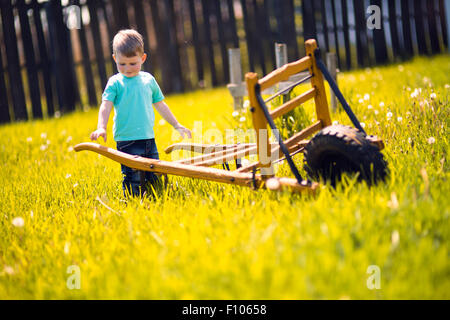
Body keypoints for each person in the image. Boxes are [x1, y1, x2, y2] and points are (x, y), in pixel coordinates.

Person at [90, 29, 191, 197]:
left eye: (133, 63)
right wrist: (101, 127)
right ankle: (133, 201)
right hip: (126, 140)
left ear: (142, 58)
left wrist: (176, 125)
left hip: (148, 138)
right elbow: (105, 106)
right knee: (133, 176)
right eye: (122, 64)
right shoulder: (115, 83)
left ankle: (158, 198)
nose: (127, 68)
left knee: (154, 171)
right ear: (115, 59)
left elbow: (160, 105)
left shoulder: (148, 80)